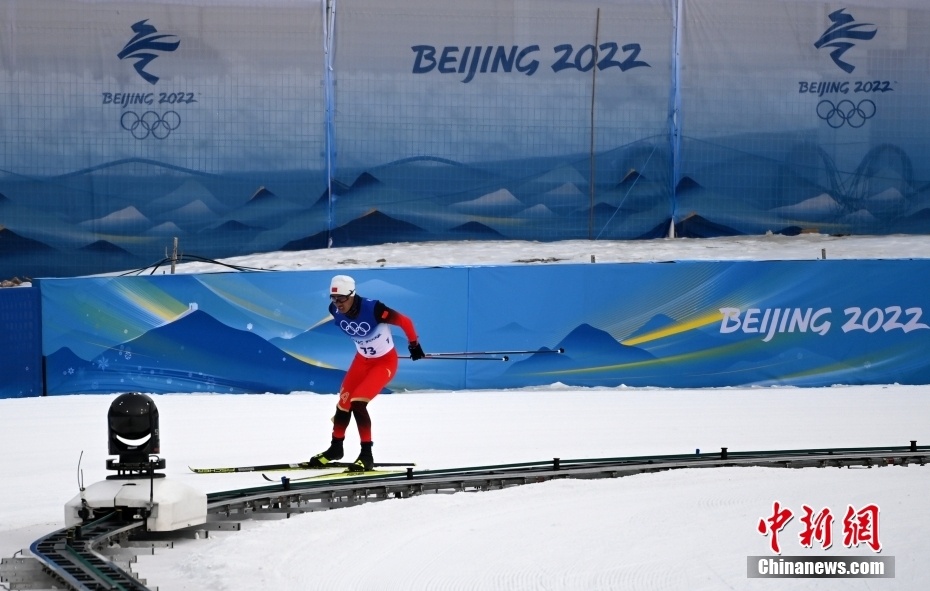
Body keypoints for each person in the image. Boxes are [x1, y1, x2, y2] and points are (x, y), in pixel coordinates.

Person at [309, 274, 426, 471]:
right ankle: (335, 448)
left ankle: (366, 455)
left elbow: (405, 321)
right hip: (361, 361)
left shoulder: (374, 309)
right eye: (334, 299)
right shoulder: (334, 310)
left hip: (383, 363)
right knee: (343, 403)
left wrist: (414, 344)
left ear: (352, 295)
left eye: (342, 299)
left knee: (358, 403)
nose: (338, 304)